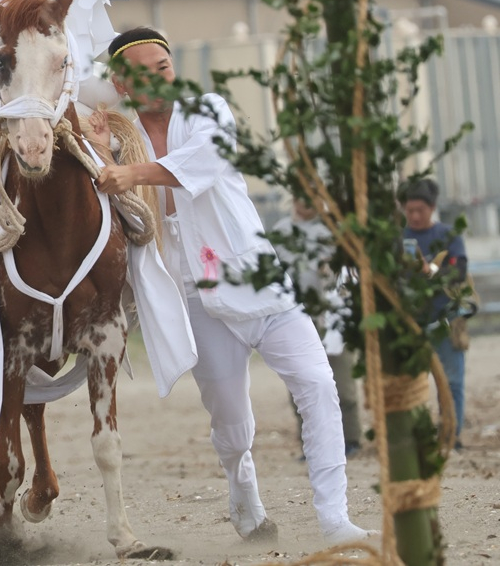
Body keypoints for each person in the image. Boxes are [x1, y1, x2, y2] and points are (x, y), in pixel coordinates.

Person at [92, 27, 373, 544]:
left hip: (260, 281)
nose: (157, 80)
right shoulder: (112, 134)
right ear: (120, 83)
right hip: (194, 298)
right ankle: (244, 494)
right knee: (232, 424)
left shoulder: (208, 109)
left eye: (163, 68)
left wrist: (130, 173)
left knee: (318, 388)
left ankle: (334, 519)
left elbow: (209, 158)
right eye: (141, 73)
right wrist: (99, 150)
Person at [271, 198, 363, 459]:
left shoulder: (333, 230)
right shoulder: (280, 232)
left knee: (342, 383)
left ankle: (350, 439)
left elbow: (352, 272)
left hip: (333, 316)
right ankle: (311, 445)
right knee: (300, 386)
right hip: (295, 318)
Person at [399, 178, 469, 450]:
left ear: (432, 208)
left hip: (446, 319)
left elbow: (459, 271)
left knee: (452, 383)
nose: (415, 216)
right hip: (410, 323)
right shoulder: (400, 238)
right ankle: (417, 437)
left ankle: (452, 435)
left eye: (420, 210)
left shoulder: (449, 235)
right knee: (410, 384)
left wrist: (432, 272)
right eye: (410, 210)